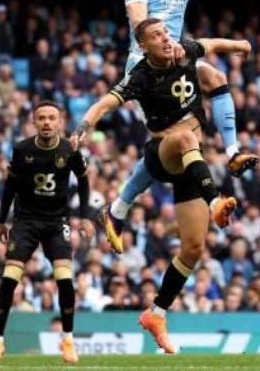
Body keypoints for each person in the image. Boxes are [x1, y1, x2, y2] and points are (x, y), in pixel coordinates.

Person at [102, 0, 260, 253]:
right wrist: (164, 46)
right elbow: (140, 24)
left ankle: (232, 152)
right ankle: (119, 208)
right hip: (148, 66)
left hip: (178, 58)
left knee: (214, 78)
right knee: (172, 142)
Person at [71, 18, 247, 353]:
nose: (166, 39)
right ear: (143, 46)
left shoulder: (184, 51)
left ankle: (157, 312)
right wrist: (81, 129)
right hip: (162, 154)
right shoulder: (140, 76)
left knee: (193, 247)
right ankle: (215, 201)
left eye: (166, 32)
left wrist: (240, 46)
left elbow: (211, 43)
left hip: (191, 166)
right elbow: (104, 104)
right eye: (156, 36)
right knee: (184, 137)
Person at [0, 101, 95, 364]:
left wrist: (84, 217)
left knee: (64, 278)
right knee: (10, 277)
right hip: (25, 221)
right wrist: (2, 221)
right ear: (33, 122)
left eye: (52, 118)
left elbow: (83, 181)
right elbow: (10, 186)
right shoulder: (22, 149)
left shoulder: (69, 149)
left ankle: (67, 340)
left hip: (57, 222)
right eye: (41, 118)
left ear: (60, 122)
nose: (47, 122)